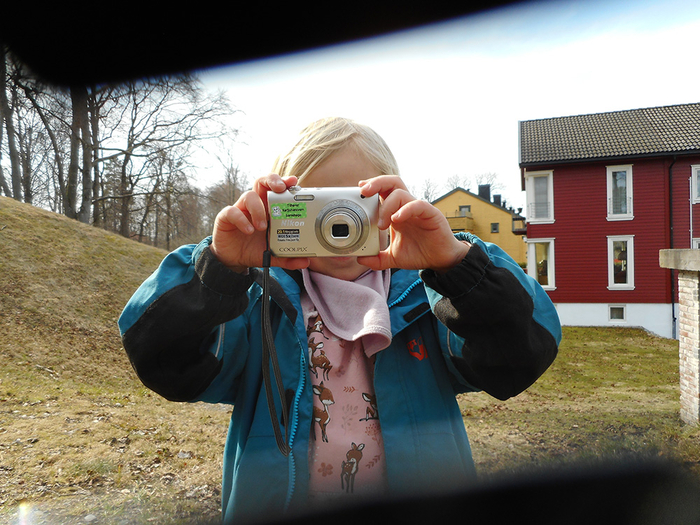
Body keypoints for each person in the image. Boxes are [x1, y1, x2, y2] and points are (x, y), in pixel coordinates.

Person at [118, 117, 561, 523]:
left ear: (393, 207)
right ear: (277, 211)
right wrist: (219, 271)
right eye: (314, 206)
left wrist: (457, 268)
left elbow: (520, 354)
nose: (339, 224)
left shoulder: (428, 297)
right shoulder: (257, 304)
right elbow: (166, 362)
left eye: (356, 204)